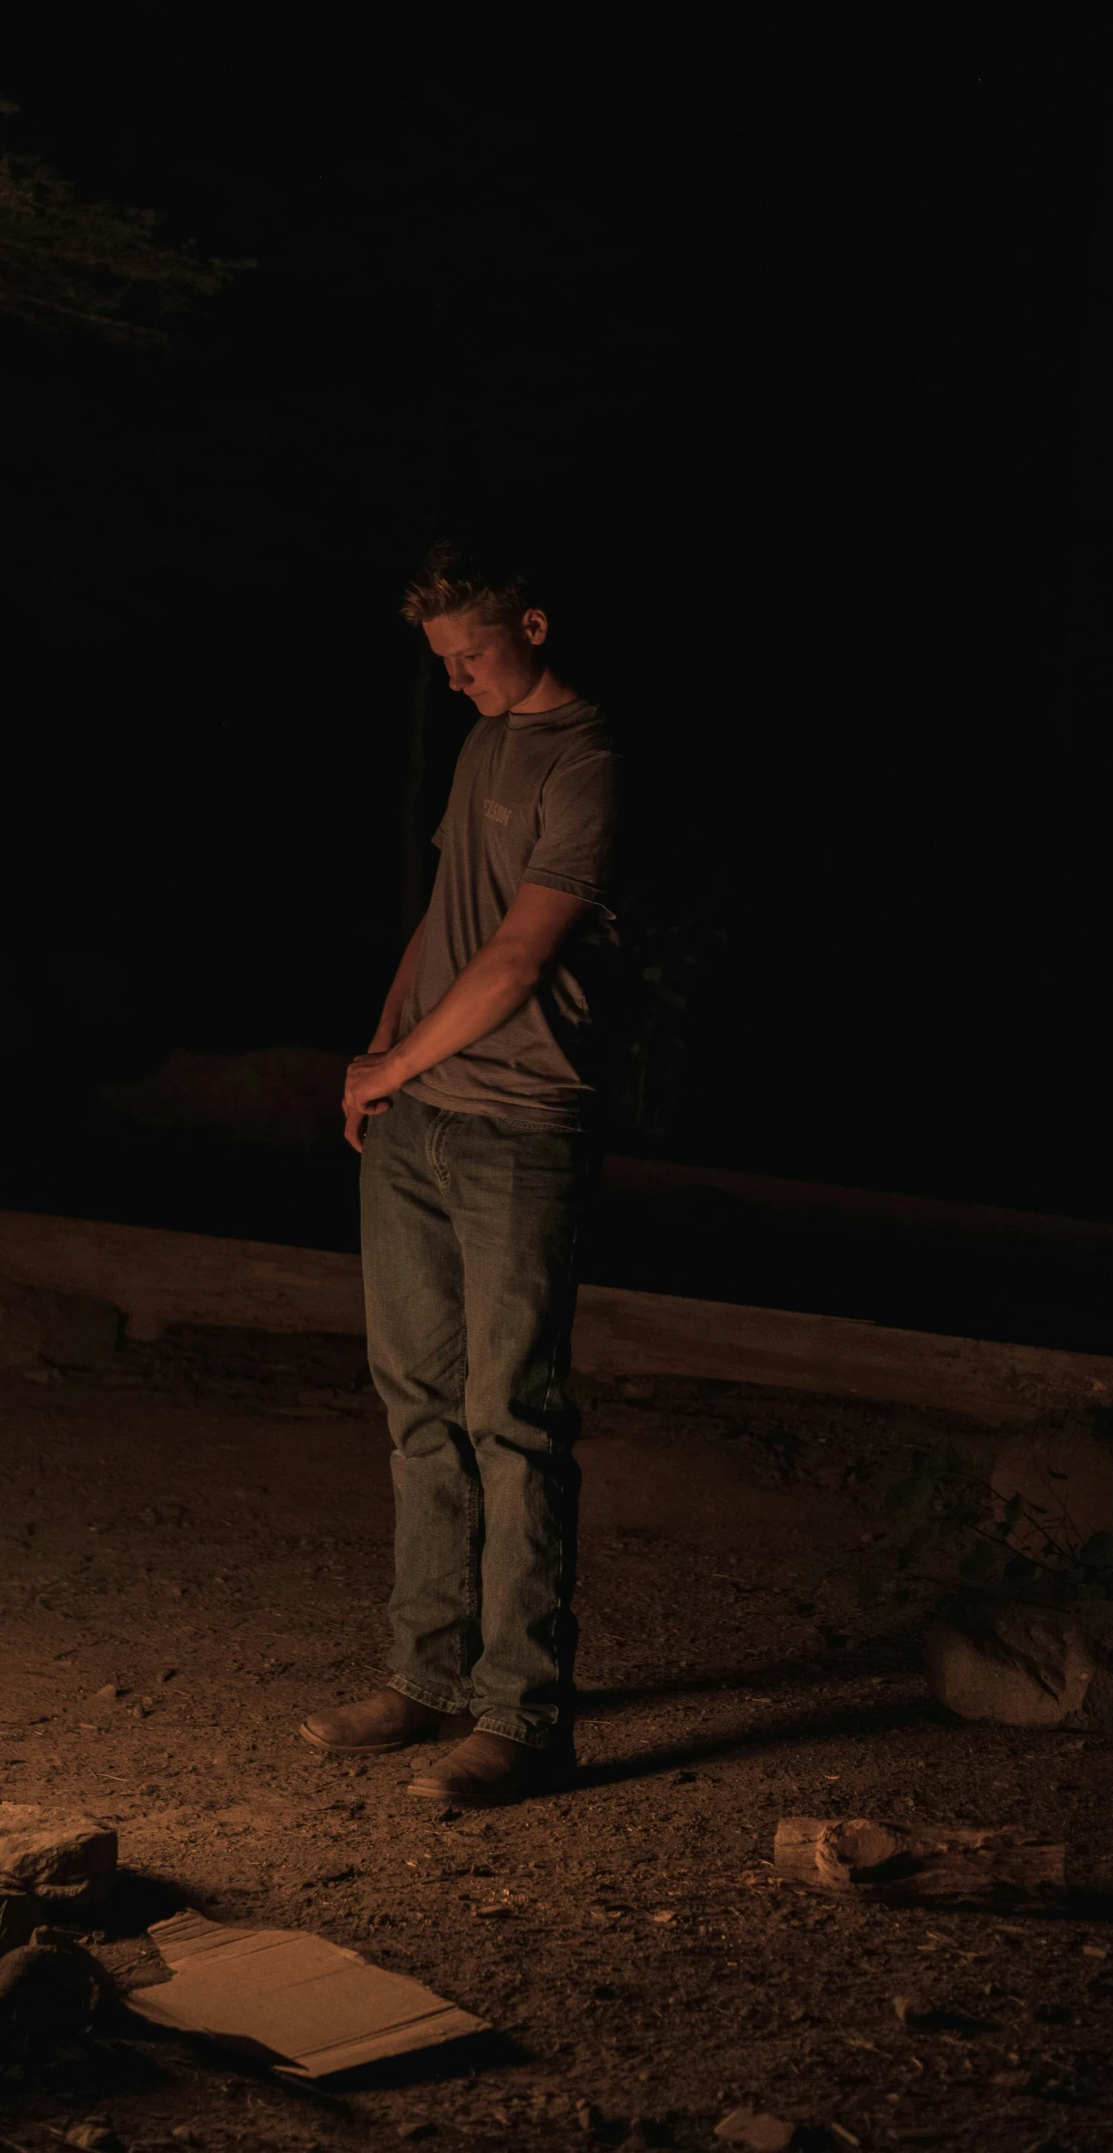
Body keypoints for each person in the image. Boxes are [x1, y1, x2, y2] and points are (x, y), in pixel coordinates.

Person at [299, 544, 618, 1805]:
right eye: (440, 661)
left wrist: (397, 1069)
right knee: (416, 1405)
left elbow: (519, 958)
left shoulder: (588, 759)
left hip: (520, 1130)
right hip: (420, 1117)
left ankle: (524, 1716)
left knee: (513, 1419)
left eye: (472, 653)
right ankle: (426, 1676)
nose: (457, 677)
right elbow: (447, 918)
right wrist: (379, 1056)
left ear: (533, 623)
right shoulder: (485, 744)